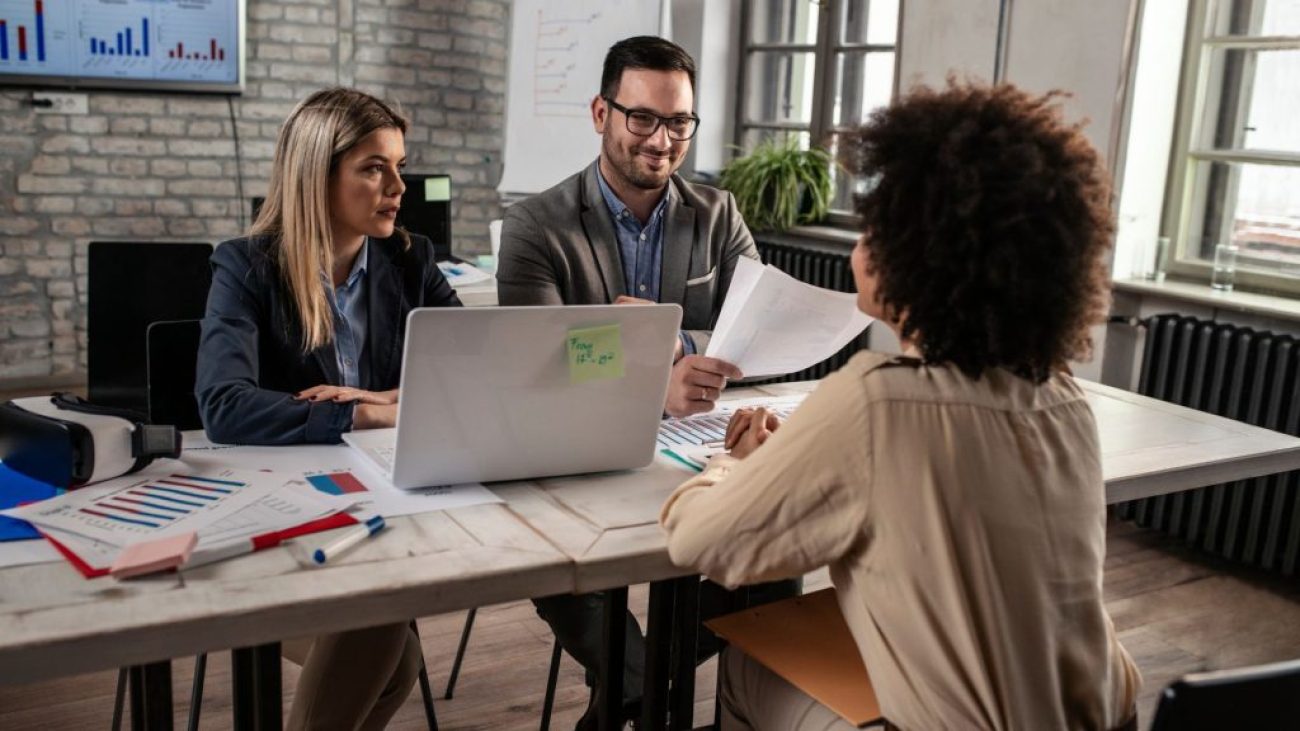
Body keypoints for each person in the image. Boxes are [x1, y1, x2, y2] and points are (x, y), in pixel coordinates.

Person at [660, 82, 1142, 730]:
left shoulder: (875, 399)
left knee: (748, 667)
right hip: (1109, 716)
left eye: (875, 226)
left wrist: (733, 463)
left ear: (921, 253)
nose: (860, 246)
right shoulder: (1065, 398)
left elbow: (702, 541)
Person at [497, 36, 792, 728]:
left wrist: (670, 339)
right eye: (643, 120)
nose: (662, 141)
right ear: (602, 112)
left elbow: (755, 332)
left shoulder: (716, 216)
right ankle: (644, 697)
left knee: (773, 558)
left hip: (691, 453)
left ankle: (626, 701)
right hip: (572, 454)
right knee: (570, 564)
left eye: (679, 123)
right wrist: (652, 380)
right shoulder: (536, 225)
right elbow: (534, 358)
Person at [196, 87, 460, 730]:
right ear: (317, 177)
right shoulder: (246, 266)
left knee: (387, 640)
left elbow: (468, 375)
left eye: (399, 165)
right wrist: (367, 413)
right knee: (384, 628)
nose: (399, 185)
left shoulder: (410, 259)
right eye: (374, 167)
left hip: (379, 502)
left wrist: (381, 397)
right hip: (282, 518)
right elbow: (225, 407)